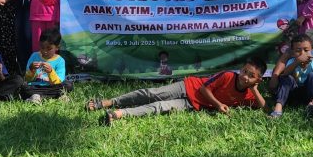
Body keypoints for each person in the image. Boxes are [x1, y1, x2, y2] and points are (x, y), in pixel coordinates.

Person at [89, 57, 267, 124]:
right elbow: (204, 89)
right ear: (241, 69)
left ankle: (118, 114)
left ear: (258, 79)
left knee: (159, 107)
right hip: (188, 87)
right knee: (152, 94)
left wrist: (255, 90)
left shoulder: (249, 94)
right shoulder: (227, 76)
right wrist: (219, 105)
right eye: (245, 71)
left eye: (251, 76)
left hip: (192, 104)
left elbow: (263, 107)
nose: (245, 77)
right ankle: (108, 102)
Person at [267, 34, 313, 119]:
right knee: (286, 77)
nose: (302, 53)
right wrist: (297, 62)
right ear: (292, 52)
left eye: (306, 50)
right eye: (298, 50)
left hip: (308, 94)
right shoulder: (291, 61)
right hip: (293, 94)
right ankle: (278, 108)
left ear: (312, 51)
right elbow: (285, 73)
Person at [20, 28, 68, 103]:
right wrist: (32, 69)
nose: (45, 51)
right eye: (42, 47)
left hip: (52, 87)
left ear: (57, 47)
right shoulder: (34, 56)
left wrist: (51, 72)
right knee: (24, 87)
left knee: (68, 85)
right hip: (36, 86)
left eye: (49, 49)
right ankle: (54, 96)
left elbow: (59, 81)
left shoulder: (60, 61)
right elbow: (28, 79)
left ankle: (37, 96)